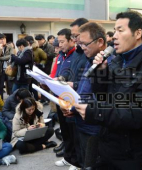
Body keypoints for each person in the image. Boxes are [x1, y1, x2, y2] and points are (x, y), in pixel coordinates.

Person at [74, 11, 142, 170]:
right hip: (108, 144)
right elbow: (104, 96)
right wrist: (101, 72)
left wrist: (96, 112)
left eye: (120, 30)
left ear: (138, 33)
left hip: (129, 154)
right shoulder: (117, 60)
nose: (114, 36)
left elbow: (138, 113)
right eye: (114, 31)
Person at [61, 22, 107, 169]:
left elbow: (103, 96)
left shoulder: (107, 63)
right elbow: (84, 89)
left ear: (100, 41)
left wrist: (76, 108)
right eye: (79, 43)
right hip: (81, 123)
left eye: (84, 44)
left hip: (94, 127)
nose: (81, 47)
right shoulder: (90, 60)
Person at [54, 27, 87, 170]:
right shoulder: (63, 55)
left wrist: (71, 83)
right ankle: (69, 157)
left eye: (62, 42)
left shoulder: (80, 55)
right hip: (62, 96)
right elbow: (68, 73)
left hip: (75, 98)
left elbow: (82, 79)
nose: (59, 45)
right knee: (65, 130)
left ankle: (76, 161)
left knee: (75, 133)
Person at [0, 33, 14, 99]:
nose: (3, 40)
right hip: (0, 70)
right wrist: (0, 49)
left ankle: (11, 102)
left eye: (4, 39)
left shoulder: (9, 46)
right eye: (1, 39)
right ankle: (0, 105)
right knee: (0, 87)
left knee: (11, 87)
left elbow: (11, 56)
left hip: (9, 69)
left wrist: (0, 58)